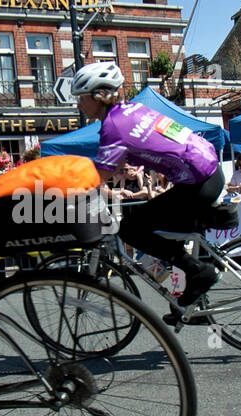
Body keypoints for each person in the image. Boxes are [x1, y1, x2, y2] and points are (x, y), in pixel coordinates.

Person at [65, 61, 224, 310]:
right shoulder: (131, 110)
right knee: (158, 227)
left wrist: (68, 197)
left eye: (81, 98)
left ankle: (199, 270)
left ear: (99, 96)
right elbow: (116, 164)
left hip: (198, 181)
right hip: (206, 171)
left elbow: (98, 178)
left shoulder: (113, 126)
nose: (79, 105)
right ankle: (197, 305)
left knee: (130, 229)